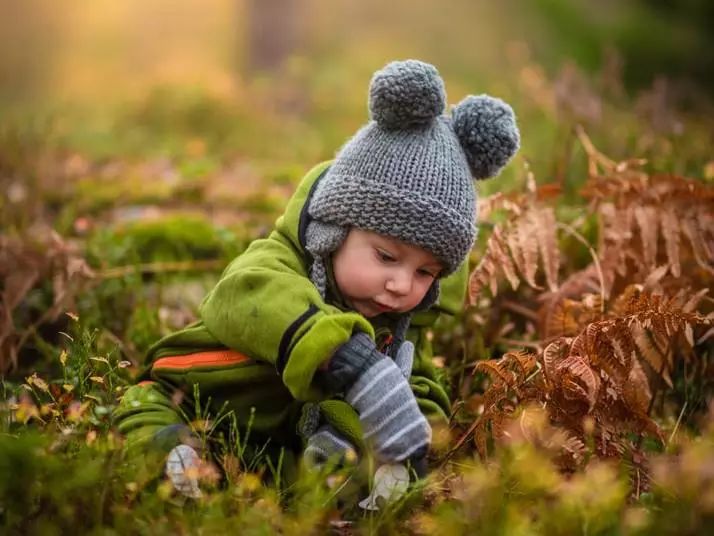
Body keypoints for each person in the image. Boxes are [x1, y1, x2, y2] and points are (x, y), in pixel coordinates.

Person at [113, 59, 519, 499]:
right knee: (150, 414)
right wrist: (347, 358)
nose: (402, 284)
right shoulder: (277, 264)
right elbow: (245, 295)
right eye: (386, 257)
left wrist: (411, 441)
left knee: (336, 464)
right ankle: (170, 457)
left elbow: (418, 381)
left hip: (272, 444)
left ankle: (320, 477)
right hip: (191, 394)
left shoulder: (400, 323)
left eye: (425, 272)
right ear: (334, 230)